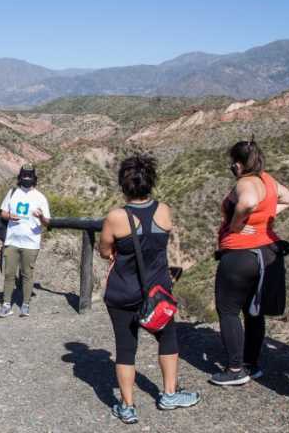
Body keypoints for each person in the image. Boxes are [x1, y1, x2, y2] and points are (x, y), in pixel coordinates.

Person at [98, 155, 200, 424]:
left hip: (122, 292)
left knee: (125, 347)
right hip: (158, 292)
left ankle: (128, 406)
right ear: (150, 182)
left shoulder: (116, 217)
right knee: (168, 338)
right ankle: (168, 394)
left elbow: (104, 251)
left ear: (124, 184)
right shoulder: (163, 211)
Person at [210, 139, 289, 386]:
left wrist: (236, 225)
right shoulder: (268, 180)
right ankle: (251, 364)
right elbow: (287, 198)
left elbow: (247, 203)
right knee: (253, 311)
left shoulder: (245, 183)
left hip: (239, 254)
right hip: (266, 253)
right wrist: (265, 217)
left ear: (238, 164)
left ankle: (235, 369)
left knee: (228, 310)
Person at [0, 164, 50, 318]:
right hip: (12, 240)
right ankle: (6, 304)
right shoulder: (13, 193)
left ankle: (25, 305)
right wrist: (10, 216)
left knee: (27, 274)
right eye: (24, 175)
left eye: (29, 176)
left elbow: (47, 222)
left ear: (34, 178)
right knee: (9, 274)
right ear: (20, 177)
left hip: (31, 242)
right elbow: (3, 213)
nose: (27, 178)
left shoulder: (40, 197)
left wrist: (40, 217)